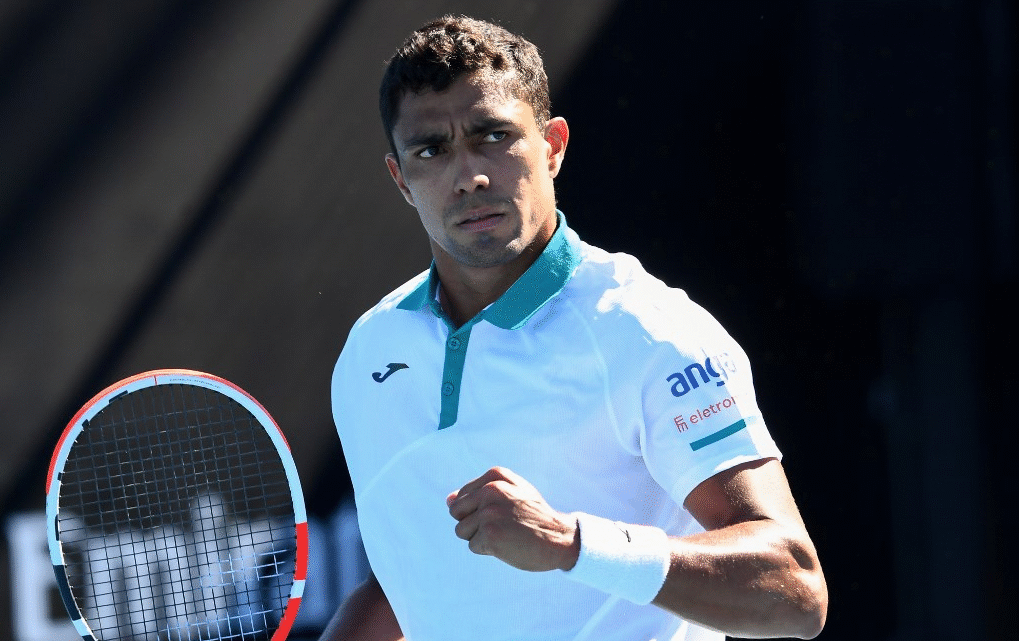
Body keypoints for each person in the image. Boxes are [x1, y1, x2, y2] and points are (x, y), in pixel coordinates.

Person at [321, 15, 827, 641]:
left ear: (553, 146)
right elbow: (417, 583)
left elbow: (794, 589)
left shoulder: (650, 331)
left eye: (493, 135)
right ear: (400, 177)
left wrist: (572, 542)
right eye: (432, 149)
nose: (470, 175)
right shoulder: (372, 352)